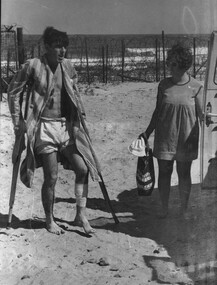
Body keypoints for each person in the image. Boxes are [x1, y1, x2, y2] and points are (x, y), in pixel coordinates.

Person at [8, 27, 101, 234]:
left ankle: (80, 216)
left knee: (83, 169)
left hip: (66, 127)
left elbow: (75, 95)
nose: (63, 51)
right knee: (52, 176)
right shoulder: (33, 66)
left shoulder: (68, 67)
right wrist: (18, 122)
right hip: (44, 127)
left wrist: (78, 120)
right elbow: (13, 91)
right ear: (47, 46)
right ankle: (49, 220)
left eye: (65, 47)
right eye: (58, 46)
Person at [139, 43, 203, 218]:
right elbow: (157, 111)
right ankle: (164, 209)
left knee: (184, 174)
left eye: (173, 63)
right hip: (165, 137)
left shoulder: (196, 87)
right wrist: (147, 132)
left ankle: (184, 210)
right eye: (169, 62)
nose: (169, 66)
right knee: (165, 173)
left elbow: (202, 115)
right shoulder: (163, 85)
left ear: (183, 65)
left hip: (186, 139)